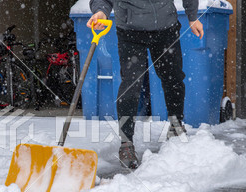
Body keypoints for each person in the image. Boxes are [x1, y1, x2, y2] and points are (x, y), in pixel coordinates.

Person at [87, 0, 204, 169]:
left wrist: (192, 17)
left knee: (173, 78)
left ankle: (176, 125)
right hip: (130, 32)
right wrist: (101, 11)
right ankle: (126, 143)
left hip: (166, 28)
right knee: (131, 84)